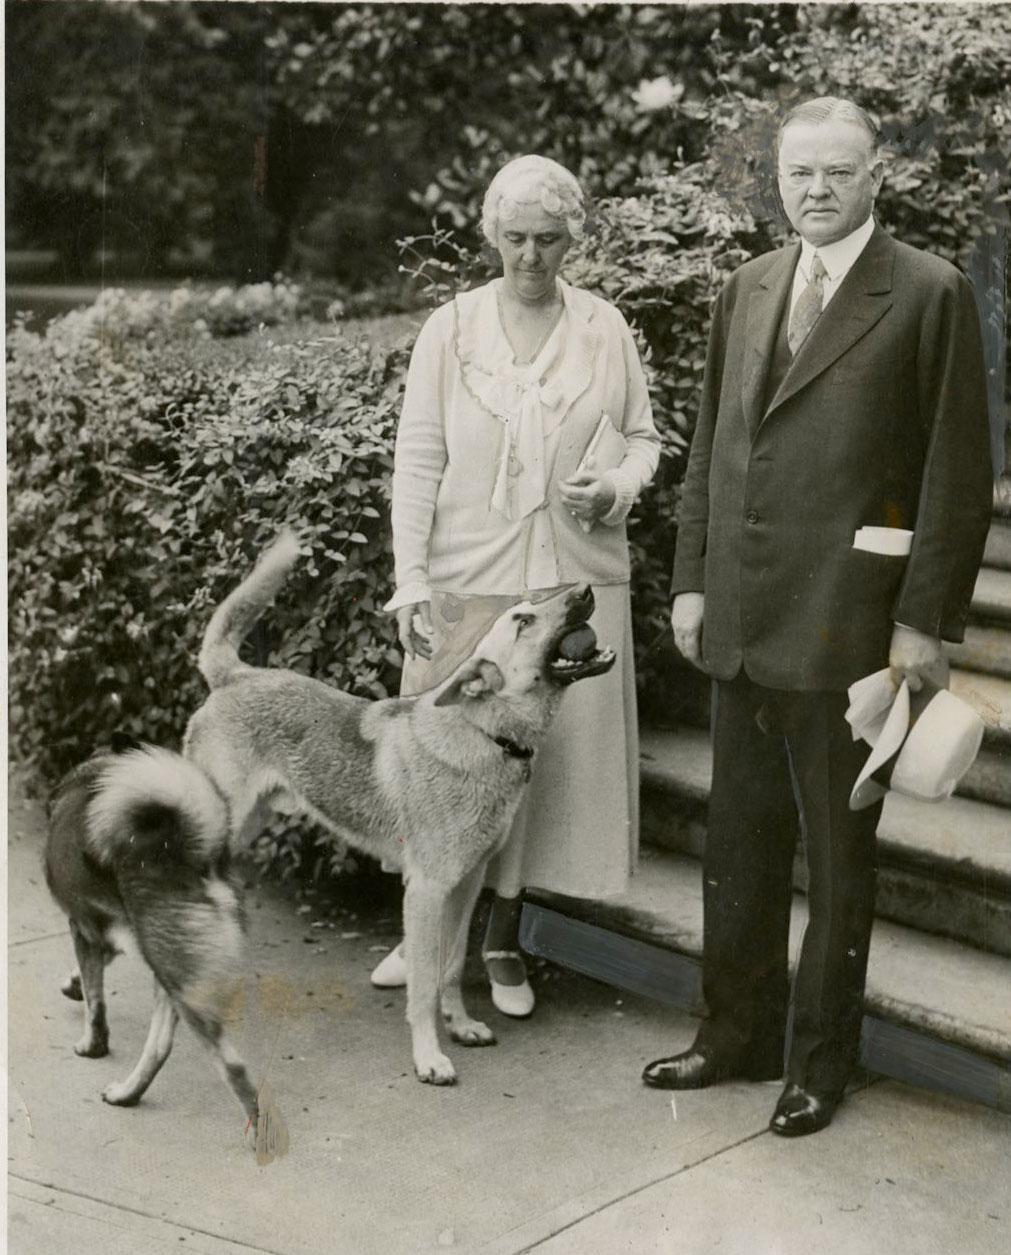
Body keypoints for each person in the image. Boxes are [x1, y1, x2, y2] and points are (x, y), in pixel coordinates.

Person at [642, 98, 993, 1136]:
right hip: (745, 621)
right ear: (777, 177)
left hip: (853, 633)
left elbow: (957, 474)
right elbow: (712, 445)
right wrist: (692, 581)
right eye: (800, 173)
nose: (817, 190)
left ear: (879, 174)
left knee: (838, 863)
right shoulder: (747, 287)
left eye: (839, 172)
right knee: (735, 847)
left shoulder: (928, 293)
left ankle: (818, 1064)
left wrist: (922, 625)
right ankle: (732, 1034)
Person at [371, 154, 661, 1017]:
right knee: (442, 757)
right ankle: (423, 933)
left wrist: (614, 488)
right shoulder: (450, 329)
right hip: (470, 570)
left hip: (572, 576)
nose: (530, 256)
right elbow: (417, 457)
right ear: (490, 235)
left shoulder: (604, 327)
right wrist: (410, 576)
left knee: (545, 769)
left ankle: (503, 936)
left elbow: (644, 438)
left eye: (547, 238)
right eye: (514, 238)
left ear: (574, 236)